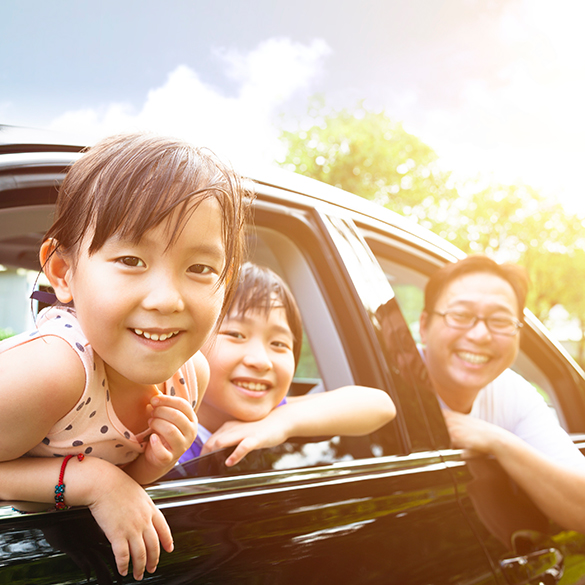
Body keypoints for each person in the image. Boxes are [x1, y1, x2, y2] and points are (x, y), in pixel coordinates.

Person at [0, 132, 248, 580]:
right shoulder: (53, 371)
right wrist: (91, 481)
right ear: (62, 271)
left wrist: (149, 464)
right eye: (132, 259)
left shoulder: (190, 374)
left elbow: (124, 486)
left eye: (200, 269)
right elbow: (100, 485)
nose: (166, 299)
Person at [419, 255, 585, 533]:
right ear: (424, 326)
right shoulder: (377, 388)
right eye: (460, 315)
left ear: (519, 334)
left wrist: (499, 442)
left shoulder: (512, 393)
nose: (480, 334)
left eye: (499, 320)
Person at [180, 262, 396, 467]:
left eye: (278, 343)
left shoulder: (274, 414)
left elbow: (381, 405)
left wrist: (282, 422)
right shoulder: (161, 436)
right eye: (236, 334)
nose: (261, 361)